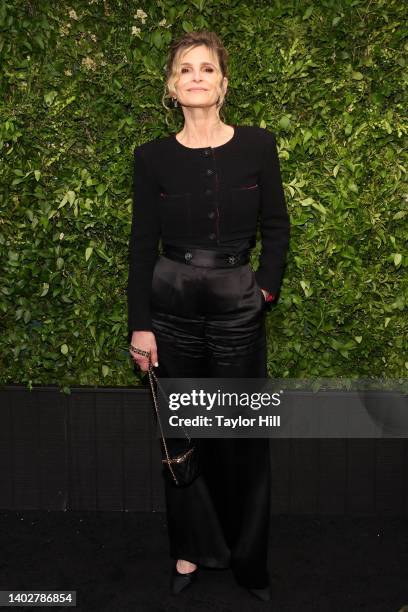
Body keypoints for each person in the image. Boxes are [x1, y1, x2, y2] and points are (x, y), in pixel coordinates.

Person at [127, 30, 290, 602]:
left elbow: (277, 227)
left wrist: (262, 289)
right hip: (170, 302)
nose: (196, 77)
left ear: (223, 83)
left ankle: (249, 562)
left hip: (237, 300)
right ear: (172, 88)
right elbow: (141, 244)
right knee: (184, 432)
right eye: (185, 70)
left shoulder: (258, 145)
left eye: (207, 69)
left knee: (243, 432)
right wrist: (140, 323)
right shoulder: (151, 158)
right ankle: (190, 552)